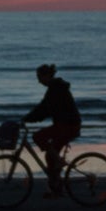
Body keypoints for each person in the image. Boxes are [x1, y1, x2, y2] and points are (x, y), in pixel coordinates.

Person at [26, 63, 81, 197]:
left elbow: (44, 109)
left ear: (47, 75)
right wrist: (29, 117)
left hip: (68, 126)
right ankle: (57, 189)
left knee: (37, 137)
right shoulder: (55, 88)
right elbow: (44, 108)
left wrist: (27, 118)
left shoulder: (55, 89)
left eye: (39, 77)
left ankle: (59, 162)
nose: (38, 81)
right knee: (50, 156)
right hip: (66, 125)